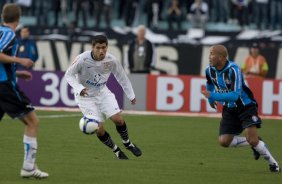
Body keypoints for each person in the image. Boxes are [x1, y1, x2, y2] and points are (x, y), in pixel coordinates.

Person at [201, 45, 280, 173]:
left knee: (252, 139)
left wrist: (213, 95)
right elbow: (209, 83)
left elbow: (234, 95)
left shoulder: (234, 70)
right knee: (224, 141)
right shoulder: (209, 70)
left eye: (212, 54)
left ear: (221, 57)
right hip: (229, 109)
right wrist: (211, 100)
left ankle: (273, 164)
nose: (209, 57)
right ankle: (255, 142)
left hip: (246, 106)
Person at [65, 34, 142, 159]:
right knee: (99, 129)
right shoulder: (82, 59)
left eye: (104, 48)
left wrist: (131, 94)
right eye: (98, 48)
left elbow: (122, 77)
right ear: (93, 47)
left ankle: (128, 143)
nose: (101, 51)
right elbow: (68, 75)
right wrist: (79, 88)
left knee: (119, 120)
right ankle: (116, 151)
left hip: (102, 92)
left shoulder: (111, 60)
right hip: (86, 98)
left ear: (107, 47)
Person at [0, 3, 48, 178]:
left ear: (2, 16)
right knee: (33, 122)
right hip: (4, 86)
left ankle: (29, 167)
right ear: (18, 19)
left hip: (4, 82)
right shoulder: (8, 34)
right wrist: (20, 60)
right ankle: (28, 167)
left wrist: (18, 71)